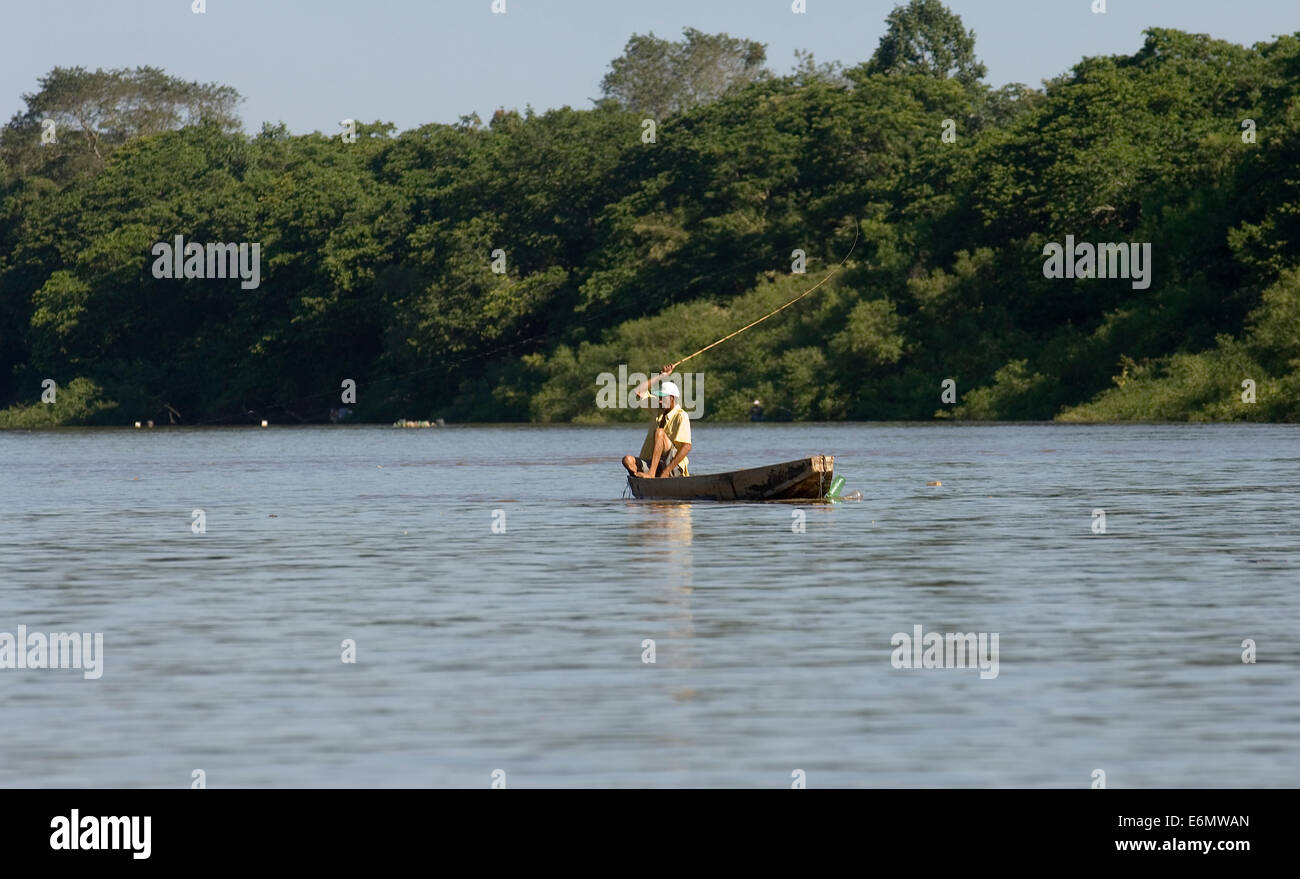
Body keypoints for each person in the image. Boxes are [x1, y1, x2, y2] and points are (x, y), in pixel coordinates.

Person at [621, 365, 691, 479]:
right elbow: (638, 391)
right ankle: (640, 477)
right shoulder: (658, 408)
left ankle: (651, 474)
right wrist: (661, 376)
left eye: (662, 398)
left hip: (672, 467)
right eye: (659, 397)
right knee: (627, 460)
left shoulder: (681, 416)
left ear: (672, 398)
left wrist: (666, 471)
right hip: (654, 464)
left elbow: (686, 447)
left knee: (659, 432)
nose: (659, 400)